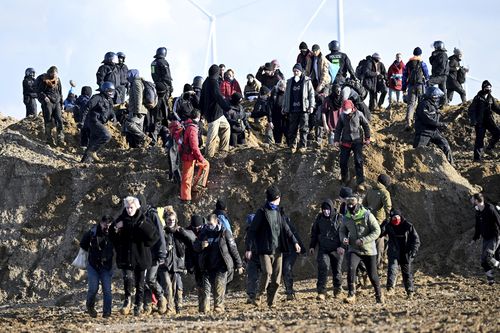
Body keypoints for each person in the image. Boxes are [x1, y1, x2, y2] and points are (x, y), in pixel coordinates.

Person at [245, 184, 302, 308]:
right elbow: (252, 231)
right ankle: (259, 295)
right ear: (276, 198)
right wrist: (248, 248)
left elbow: (286, 228)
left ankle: (272, 302)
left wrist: (295, 242)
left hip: (278, 249)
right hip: (265, 250)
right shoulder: (262, 212)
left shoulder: (278, 212)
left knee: (276, 280)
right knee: (267, 272)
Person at [109, 196, 159, 316]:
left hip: (141, 256)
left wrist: (142, 225)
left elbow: (154, 236)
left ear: (137, 207)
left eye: (131, 207)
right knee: (127, 278)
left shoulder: (144, 219)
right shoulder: (121, 219)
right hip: (126, 256)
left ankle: (138, 305)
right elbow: (112, 237)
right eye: (127, 207)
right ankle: (127, 301)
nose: (129, 210)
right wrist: (116, 228)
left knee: (140, 283)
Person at [195, 214, 244, 313]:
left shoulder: (225, 232)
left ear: (217, 222)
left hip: (221, 266)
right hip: (207, 266)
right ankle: (205, 310)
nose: (209, 227)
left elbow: (233, 249)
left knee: (219, 287)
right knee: (205, 290)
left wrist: (239, 265)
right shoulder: (204, 233)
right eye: (208, 225)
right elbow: (195, 246)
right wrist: (201, 245)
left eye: (211, 224)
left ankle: (218, 307)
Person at [338, 196, 382, 303]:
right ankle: (351, 294)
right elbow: (342, 231)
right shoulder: (346, 218)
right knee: (351, 268)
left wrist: (363, 240)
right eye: (349, 206)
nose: (351, 207)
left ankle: (379, 295)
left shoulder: (367, 215)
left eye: (353, 205)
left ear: (357, 205)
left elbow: (377, 231)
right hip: (354, 249)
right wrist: (343, 238)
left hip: (368, 250)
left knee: (372, 275)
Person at [158, 206, 194, 314]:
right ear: (165, 220)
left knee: (178, 287)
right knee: (168, 287)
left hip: (177, 264)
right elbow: (157, 246)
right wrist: (165, 250)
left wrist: (182, 232)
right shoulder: (163, 233)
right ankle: (169, 308)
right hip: (165, 264)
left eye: (173, 220)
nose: (171, 222)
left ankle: (178, 308)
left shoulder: (180, 231)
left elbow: (191, 241)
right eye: (169, 220)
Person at [138, 195, 168, 316]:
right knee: (143, 281)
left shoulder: (152, 215)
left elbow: (160, 234)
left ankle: (161, 298)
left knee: (150, 279)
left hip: (154, 253)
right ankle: (147, 305)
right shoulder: (135, 216)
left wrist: (162, 253)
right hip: (142, 253)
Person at [79, 215, 114, 318]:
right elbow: (83, 245)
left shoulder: (114, 234)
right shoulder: (92, 232)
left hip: (106, 266)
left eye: (109, 225)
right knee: (93, 288)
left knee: (107, 290)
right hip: (93, 265)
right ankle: (90, 306)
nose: (106, 227)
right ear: (100, 223)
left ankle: (107, 313)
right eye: (104, 224)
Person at [380, 209, 420, 297]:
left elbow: (416, 240)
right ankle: (390, 288)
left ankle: (410, 291)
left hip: (406, 253)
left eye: (396, 217)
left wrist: (413, 252)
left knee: (406, 272)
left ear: (400, 216)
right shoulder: (389, 225)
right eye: (393, 217)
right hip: (393, 252)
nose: (395, 219)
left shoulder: (408, 226)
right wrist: (384, 224)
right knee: (392, 269)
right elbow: (380, 234)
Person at [309, 199, 344, 299]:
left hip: (337, 249)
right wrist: (312, 246)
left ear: (331, 209)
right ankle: (321, 291)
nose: (326, 212)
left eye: (327, 209)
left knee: (337, 270)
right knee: (323, 268)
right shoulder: (319, 219)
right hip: (323, 249)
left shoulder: (339, 218)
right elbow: (314, 233)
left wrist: (342, 246)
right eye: (324, 210)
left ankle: (338, 290)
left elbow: (345, 233)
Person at [334, 99, 371, 185]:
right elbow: (338, 128)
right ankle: (344, 179)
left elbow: (366, 125)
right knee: (343, 162)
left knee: (358, 161)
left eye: (348, 110)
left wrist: (367, 138)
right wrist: (336, 140)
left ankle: (360, 181)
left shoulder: (359, 114)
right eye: (345, 110)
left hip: (357, 141)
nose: (347, 112)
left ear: (352, 108)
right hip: (345, 142)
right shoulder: (342, 116)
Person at [413, 86, 454, 164]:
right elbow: (427, 120)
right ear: (433, 96)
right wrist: (441, 124)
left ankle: (451, 165)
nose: (438, 99)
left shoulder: (433, 105)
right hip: (424, 132)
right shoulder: (423, 105)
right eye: (437, 97)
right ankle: (415, 169)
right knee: (417, 152)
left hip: (433, 131)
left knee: (445, 145)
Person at [200, 64, 232, 158]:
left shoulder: (206, 82)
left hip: (217, 113)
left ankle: (223, 150)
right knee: (212, 135)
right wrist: (227, 108)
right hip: (213, 113)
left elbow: (201, 98)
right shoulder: (213, 82)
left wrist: (201, 112)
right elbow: (218, 96)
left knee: (226, 127)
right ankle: (209, 156)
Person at [80, 82, 116, 164]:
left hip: (100, 122)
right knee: (106, 136)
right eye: (109, 90)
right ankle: (93, 151)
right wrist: (82, 121)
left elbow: (111, 111)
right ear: (104, 90)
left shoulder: (109, 100)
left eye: (112, 91)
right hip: (93, 121)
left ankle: (84, 162)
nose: (111, 92)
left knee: (92, 142)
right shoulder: (97, 98)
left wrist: (113, 117)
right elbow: (87, 108)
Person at [283, 63, 315, 153]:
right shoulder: (290, 82)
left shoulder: (307, 81)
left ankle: (303, 146)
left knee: (304, 128)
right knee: (292, 128)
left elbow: (311, 94)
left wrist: (311, 106)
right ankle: (292, 147)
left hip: (303, 108)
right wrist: (284, 106)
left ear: (301, 72)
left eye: (297, 71)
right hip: (293, 109)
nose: (295, 72)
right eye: (294, 71)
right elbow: (286, 95)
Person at [363, 174, 393, 270]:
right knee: (379, 245)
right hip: (379, 222)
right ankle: (378, 267)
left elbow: (364, 205)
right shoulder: (385, 192)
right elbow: (388, 209)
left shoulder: (370, 191)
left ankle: (381, 260)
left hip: (368, 221)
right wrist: (388, 221)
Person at [180, 109, 210, 203]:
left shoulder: (187, 124)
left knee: (187, 176)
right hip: (189, 156)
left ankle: (193, 188)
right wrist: (200, 158)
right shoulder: (192, 128)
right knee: (187, 177)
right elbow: (194, 146)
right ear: (198, 116)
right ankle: (186, 198)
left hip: (187, 155)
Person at [470, 193, 500, 285]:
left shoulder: (490, 208)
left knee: (488, 256)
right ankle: (491, 280)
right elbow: (478, 226)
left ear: (476, 200)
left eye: (472, 199)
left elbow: (499, 221)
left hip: (494, 237)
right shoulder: (478, 211)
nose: (470, 201)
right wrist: (475, 238)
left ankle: (499, 265)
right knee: (483, 261)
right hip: (486, 238)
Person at [467, 80, 500, 161]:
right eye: (487, 87)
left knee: (497, 133)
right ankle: (477, 158)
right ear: (483, 88)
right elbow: (471, 110)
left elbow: (496, 108)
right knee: (479, 139)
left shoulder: (490, 98)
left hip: (489, 121)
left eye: (489, 87)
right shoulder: (477, 98)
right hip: (480, 122)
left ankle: (489, 148)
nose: (488, 89)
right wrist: (473, 120)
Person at [402, 47, 430, 130]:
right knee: (421, 103)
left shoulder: (408, 63)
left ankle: (408, 122)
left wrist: (404, 87)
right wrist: (427, 85)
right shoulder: (422, 63)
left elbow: (404, 76)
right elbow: (427, 75)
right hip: (420, 85)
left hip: (411, 85)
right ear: (420, 54)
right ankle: (421, 121)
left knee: (411, 104)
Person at [35, 66, 64, 146]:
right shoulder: (42, 78)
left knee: (59, 119)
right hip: (48, 102)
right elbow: (38, 90)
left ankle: (60, 138)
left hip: (57, 101)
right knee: (48, 120)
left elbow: (60, 92)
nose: (54, 76)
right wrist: (44, 97)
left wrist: (61, 105)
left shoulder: (58, 80)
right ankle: (49, 139)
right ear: (50, 73)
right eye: (53, 74)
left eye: (56, 74)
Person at [282, 209, 306, 300]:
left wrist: (302, 250)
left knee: (286, 268)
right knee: (283, 270)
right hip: (281, 251)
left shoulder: (287, 224)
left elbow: (295, 236)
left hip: (291, 251)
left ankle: (289, 292)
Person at [150, 47, 173, 142]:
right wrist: (170, 86)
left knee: (157, 113)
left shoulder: (153, 63)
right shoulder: (163, 62)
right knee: (164, 113)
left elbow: (153, 75)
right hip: (164, 88)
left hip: (157, 87)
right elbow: (167, 76)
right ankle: (164, 139)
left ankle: (156, 138)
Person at [184, 214, 206, 311]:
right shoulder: (187, 231)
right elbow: (186, 250)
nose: (197, 229)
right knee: (199, 283)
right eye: (194, 227)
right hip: (194, 260)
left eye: (199, 227)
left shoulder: (207, 230)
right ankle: (202, 304)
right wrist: (189, 265)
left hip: (206, 260)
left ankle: (205, 304)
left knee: (206, 283)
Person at [124, 69, 148, 148]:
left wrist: (137, 110)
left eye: (128, 75)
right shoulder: (136, 83)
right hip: (138, 110)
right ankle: (138, 148)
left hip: (138, 111)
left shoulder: (136, 83)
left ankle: (145, 138)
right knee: (137, 130)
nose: (127, 77)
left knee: (129, 124)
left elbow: (138, 97)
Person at [428, 41, 449, 105]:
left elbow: (442, 67)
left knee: (429, 82)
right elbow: (432, 63)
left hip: (441, 75)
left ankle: (431, 100)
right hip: (441, 75)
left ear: (438, 46)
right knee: (442, 90)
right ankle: (444, 104)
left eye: (435, 46)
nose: (434, 48)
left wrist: (435, 75)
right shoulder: (437, 54)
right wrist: (433, 56)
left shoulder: (442, 55)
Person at [269, 80, 287, 144]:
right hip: (276, 118)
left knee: (288, 134)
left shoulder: (287, 95)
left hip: (285, 118)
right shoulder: (274, 95)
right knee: (277, 136)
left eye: (284, 87)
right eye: (281, 86)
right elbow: (270, 108)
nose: (282, 88)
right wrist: (270, 121)